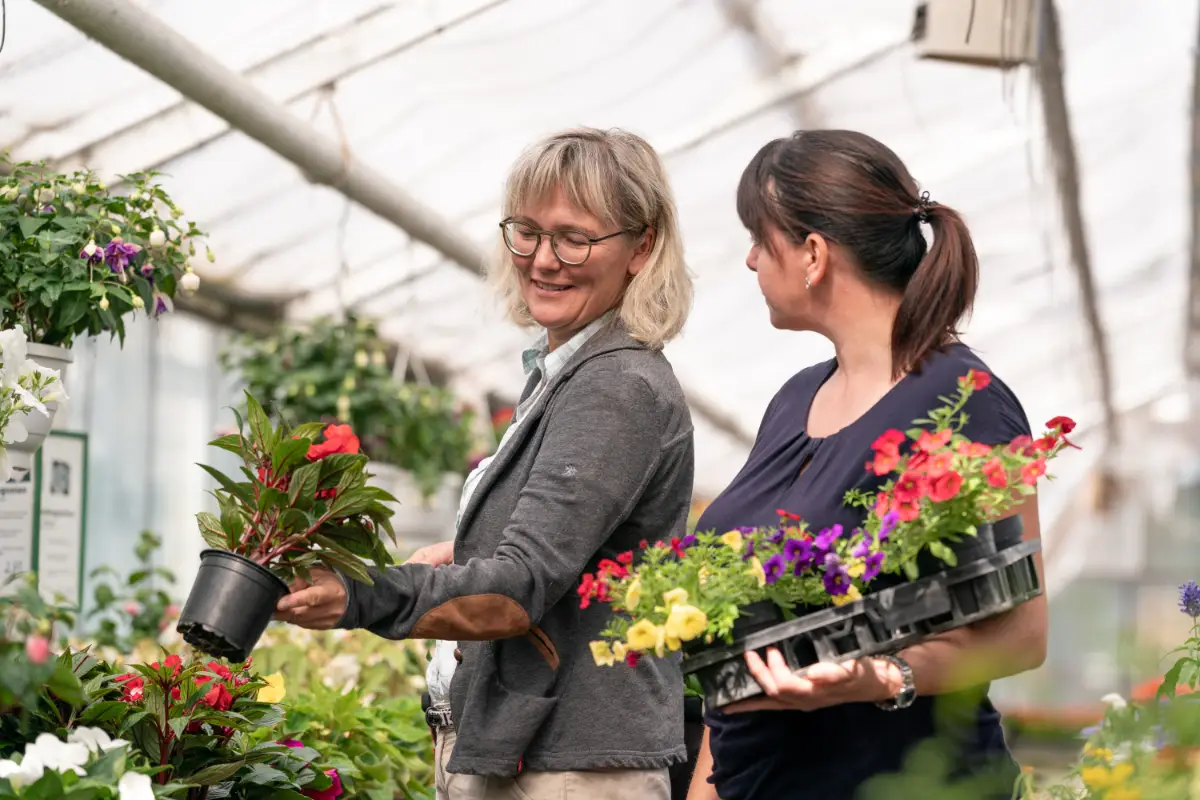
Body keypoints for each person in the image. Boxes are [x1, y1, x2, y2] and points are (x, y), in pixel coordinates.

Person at [276, 127, 695, 800]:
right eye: (526, 231)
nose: (543, 259)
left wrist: (358, 595)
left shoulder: (614, 388)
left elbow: (518, 589)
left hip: (571, 769)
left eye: (574, 238)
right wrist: (455, 550)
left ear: (641, 247)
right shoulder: (565, 373)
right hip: (535, 751)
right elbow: (557, 553)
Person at [686, 130, 1048, 800]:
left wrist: (882, 676)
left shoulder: (964, 406)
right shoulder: (795, 399)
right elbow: (743, 642)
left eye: (760, 240)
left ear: (813, 255)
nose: (749, 260)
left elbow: (1022, 634)